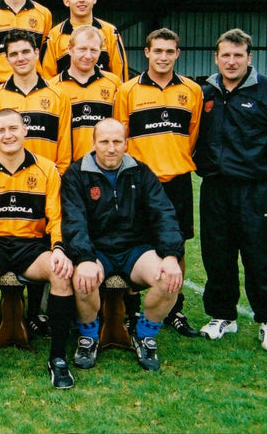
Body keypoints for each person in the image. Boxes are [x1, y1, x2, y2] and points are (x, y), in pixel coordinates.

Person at [0, 109, 75, 389]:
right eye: (0, 130)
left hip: (32, 247)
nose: (7, 135)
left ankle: (58, 359)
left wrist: (58, 248)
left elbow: (57, 217)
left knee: (60, 273)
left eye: (13, 128)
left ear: (25, 130)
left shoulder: (47, 169)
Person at [62, 118, 184, 371]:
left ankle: (145, 334)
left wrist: (171, 255)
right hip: (97, 250)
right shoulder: (76, 174)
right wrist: (84, 258)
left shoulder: (141, 172)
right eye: (104, 141)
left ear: (126, 144)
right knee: (82, 279)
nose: (111, 148)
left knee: (169, 279)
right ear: (93, 143)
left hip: (135, 249)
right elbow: (74, 221)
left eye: (117, 141)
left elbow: (164, 213)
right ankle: (88, 336)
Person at [114, 28, 202, 337]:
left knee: (177, 245)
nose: (163, 56)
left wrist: (173, 160)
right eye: (158, 50)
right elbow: (121, 137)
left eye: (169, 51)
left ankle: (174, 310)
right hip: (139, 181)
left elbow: (192, 137)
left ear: (177, 54)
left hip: (177, 179)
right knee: (137, 241)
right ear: (146, 53)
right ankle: (132, 310)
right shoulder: (127, 91)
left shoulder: (192, 90)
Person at [194, 29, 267, 352]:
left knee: (262, 255)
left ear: (249, 58)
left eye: (238, 56)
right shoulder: (206, 93)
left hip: (258, 189)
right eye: (225, 55)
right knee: (217, 254)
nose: (231, 62)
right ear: (216, 58)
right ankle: (222, 316)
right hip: (214, 187)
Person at [0, 29, 71, 173]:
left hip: (46, 180)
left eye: (25, 52)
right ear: (7, 59)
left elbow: (64, 148)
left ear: (36, 53)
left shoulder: (58, 96)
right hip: (4, 182)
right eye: (14, 54)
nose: (20, 58)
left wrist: (58, 176)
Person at [48, 25, 121, 162]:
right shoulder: (53, 87)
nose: (88, 56)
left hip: (105, 165)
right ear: (70, 49)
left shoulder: (114, 84)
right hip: (70, 169)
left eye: (94, 50)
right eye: (82, 49)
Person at [40, 0, 128, 82]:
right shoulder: (54, 35)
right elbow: (48, 78)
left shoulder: (110, 32)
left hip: (101, 96)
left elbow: (120, 73)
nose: (81, 0)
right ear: (66, 1)